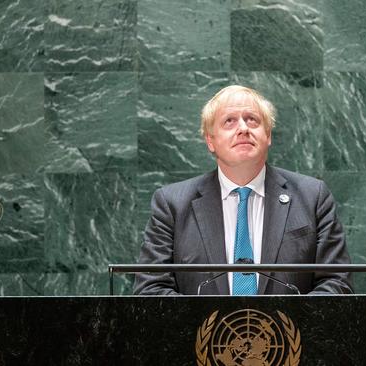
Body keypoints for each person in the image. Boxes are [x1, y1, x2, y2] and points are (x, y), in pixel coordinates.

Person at [133, 85, 352, 295]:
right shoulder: (172, 204)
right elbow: (151, 290)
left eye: (252, 120)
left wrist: (282, 328)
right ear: (210, 140)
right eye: (229, 121)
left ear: (268, 136)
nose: (243, 128)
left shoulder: (313, 197)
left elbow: (337, 283)